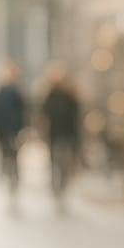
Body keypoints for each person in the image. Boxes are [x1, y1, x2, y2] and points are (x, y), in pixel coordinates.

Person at [41, 65, 82, 210]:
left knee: (64, 163)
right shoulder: (50, 95)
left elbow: (75, 118)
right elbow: (44, 115)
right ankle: (56, 187)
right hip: (54, 134)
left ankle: (62, 186)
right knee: (55, 163)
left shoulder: (70, 96)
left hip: (67, 134)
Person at [0, 60, 27, 207]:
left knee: (13, 155)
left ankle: (14, 179)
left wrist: (22, 128)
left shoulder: (17, 92)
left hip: (14, 129)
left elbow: (23, 112)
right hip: (2, 129)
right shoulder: (0, 91)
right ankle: (6, 175)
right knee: (5, 153)